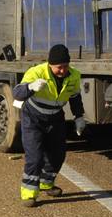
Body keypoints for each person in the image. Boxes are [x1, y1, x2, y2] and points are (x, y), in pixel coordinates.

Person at [13, 44, 85, 207]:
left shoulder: (74, 75)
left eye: (65, 66)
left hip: (55, 118)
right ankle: (29, 193)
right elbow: (17, 93)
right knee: (35, 157)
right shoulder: (37, 72)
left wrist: (79, 117)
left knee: (58, 154)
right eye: (59, 67)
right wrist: (30, 87)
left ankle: (46, 183)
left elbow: (74, 97)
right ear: (50, 64)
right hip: (33, 118)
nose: (63, 70)